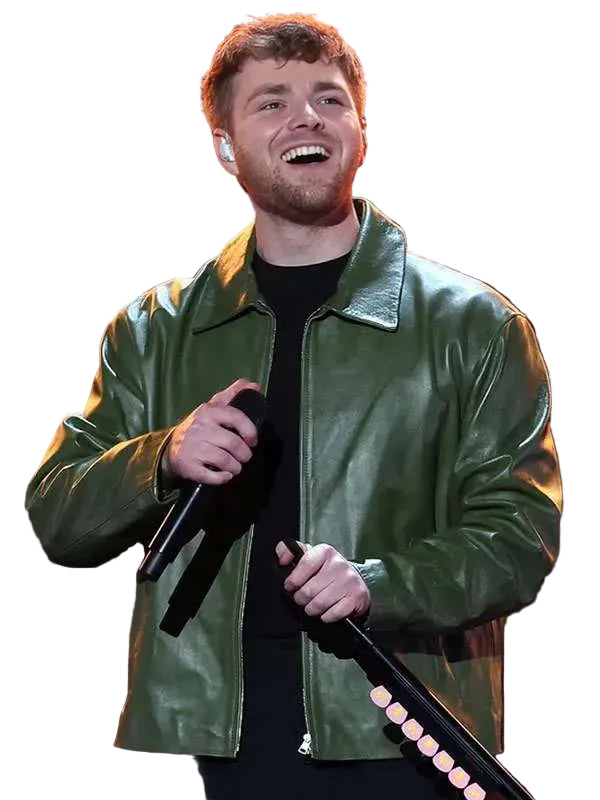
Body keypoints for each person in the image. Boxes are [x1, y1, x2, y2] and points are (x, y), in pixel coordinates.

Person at [25, 12, 562, 800]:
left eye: (329, 99)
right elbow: (58, 515)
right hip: (238, 738)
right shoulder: (155, 331)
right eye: (271, 102)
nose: (306, 117)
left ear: (361, 133)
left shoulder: (477, 327)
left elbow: (519, 537)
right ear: (225, 146)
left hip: (406, 717)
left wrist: (379, 584)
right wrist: (161, 457)